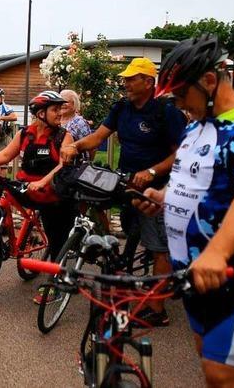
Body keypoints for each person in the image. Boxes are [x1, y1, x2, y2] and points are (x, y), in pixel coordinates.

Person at [134, 34, 234, 387]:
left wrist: (218, 252)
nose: (177, 104)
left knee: (223, 373)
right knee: (209, 358)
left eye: (181, 95)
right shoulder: (195, 126)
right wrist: (161, 198)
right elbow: (195, 184)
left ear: (208, 81)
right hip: (193, 269)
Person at [61, 57, 188, 326]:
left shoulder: (166, 112)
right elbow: (98, 137)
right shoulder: (122, 108)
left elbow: (181, 154)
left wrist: (152, 172)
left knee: (158, 247)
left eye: (131, 78)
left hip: (155, 189)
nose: (125, 83)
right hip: (126, 181)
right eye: (125, 78)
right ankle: (124, 269)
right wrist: (75, 146)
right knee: (122, 224)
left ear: (148, 82)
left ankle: (158, 310)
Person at [0, 91, 77, 303]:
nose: (60, 113)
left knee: (57, 239)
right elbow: (5, 154)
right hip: (27, 188)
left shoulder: (64, 136)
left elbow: (62, 166)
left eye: (60, 109)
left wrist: (42, 182)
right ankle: (2, 232)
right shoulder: (25, 134)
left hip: (53, 194)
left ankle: (56, 285)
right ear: (40, 113)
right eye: (55, 109)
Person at [59, 89, 94, 161]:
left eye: (66, 101)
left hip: (75, 164)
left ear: (74, 104)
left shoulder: (80, 123)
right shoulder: (55, 120)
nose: (63, 104)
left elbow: (91, 147)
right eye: (60, 101)